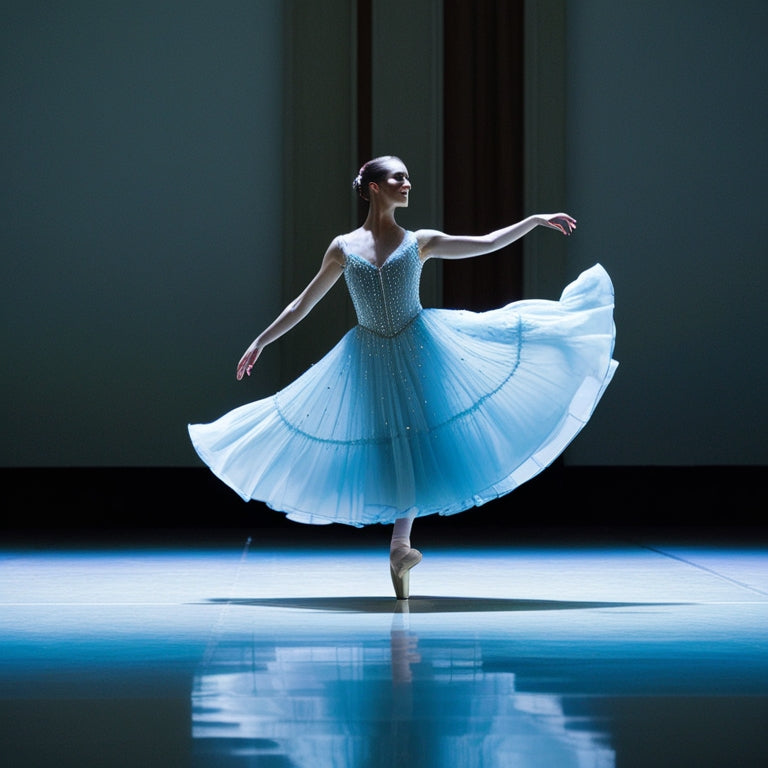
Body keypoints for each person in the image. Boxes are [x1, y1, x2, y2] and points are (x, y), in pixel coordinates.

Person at [188, 155, 617, 599]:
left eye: (408, 177)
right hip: (369, 355)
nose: (408, 184)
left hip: (419, 347)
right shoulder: (342, 247)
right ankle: (399, 548)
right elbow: (301, 304)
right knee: (392, 442)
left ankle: (399, 545)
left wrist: (534, 220)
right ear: (374, 187)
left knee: (413, 438)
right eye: (399, 177)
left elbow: (486, 242)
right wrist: (260, 341)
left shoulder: (420, 241)